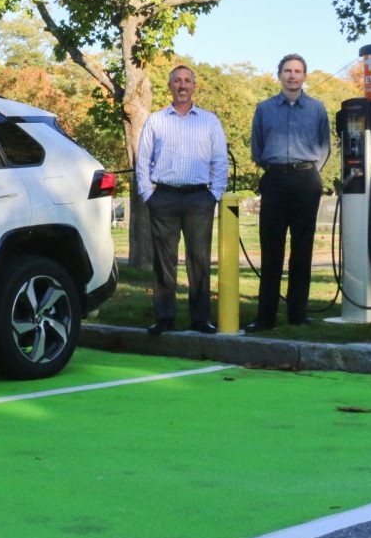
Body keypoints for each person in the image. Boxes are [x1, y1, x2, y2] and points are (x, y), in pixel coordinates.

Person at [135, 64, 229, 334]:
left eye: (187, 81)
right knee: (164, 261)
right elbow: (143, 161)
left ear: (194, 86)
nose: (182, 85)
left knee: (199, 260)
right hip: (164, 198)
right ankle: (164, 317)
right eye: (177, 80)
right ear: (170, 86)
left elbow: (220, 161)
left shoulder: (209, 121)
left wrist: (214, 195)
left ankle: (200, 319)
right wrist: (147, 194)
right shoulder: (156, 120)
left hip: (200, 198)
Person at [246, 53, 330, 331]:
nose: (292, 76)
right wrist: (275, 169)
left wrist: (309, 171)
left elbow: (324, 146)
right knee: (271, 250)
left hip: (306, 179)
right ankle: (265, 316)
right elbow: (257, 148)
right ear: (279, 75)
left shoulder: (317, 109)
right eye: (287, 71)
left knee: (302, 248)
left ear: (305, 76)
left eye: (297, 71)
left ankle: (298, 312)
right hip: (274, 180)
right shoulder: (264, 108)